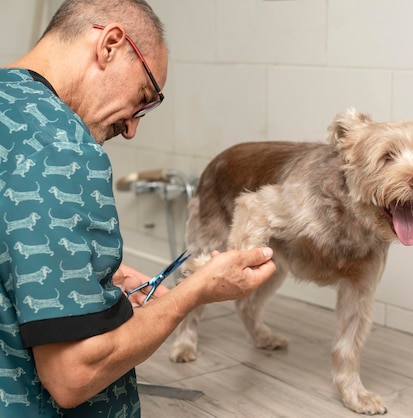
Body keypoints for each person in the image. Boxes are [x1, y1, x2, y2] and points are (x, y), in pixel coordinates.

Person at [0, 1, 275, 416]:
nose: (131, 128)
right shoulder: (64, 149)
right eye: (144, 98)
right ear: (110, 45)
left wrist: (87, 271)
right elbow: (73, 375)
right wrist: (193, 292)